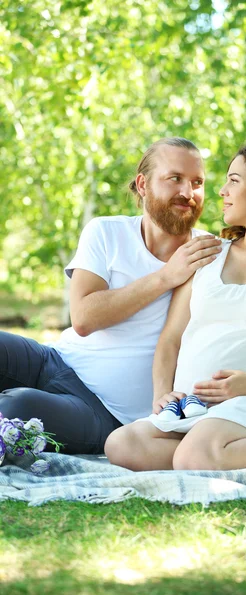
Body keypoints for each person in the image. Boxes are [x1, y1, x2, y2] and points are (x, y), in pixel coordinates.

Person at [105, 142, 246, 472]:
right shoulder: (207, 255)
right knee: (122, 444)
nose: (222, 191)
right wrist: (163, 393)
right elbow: (171, 339)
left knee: (193, 455)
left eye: (234, 180)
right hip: (195, 406)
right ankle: (229, 454)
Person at [0, 137, 222, 454]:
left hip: (106, 413)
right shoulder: (106, 232)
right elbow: (84, 318)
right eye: (175, 178)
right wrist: (165, 276)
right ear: (143, 185)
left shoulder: (208, 254)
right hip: (55, 361)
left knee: (16, 408)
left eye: (197, 182)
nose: (188, 193)